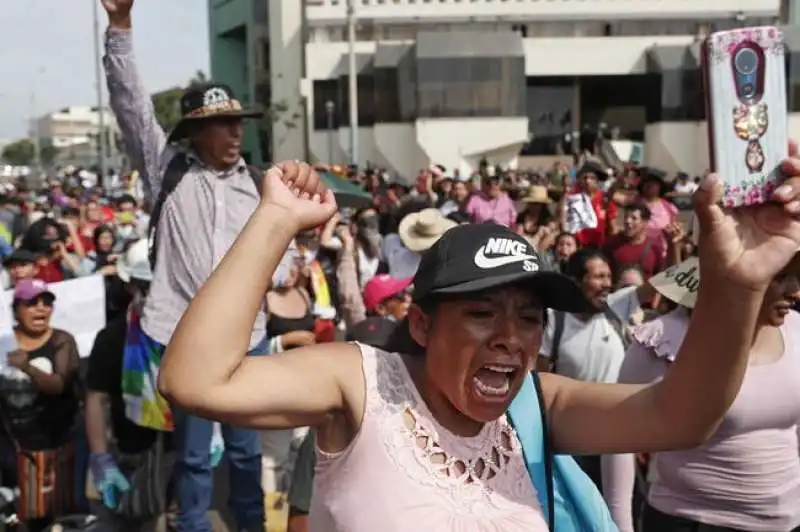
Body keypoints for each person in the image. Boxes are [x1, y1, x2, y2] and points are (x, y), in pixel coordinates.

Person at [159, 157, 800, 530]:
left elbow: (681, 416)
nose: (509, 338)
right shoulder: (360, 384)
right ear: (420, 325)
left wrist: (737, 284)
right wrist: (274, 219)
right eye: (481, 312)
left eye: (528, 317)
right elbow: (195, 381)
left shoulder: (537, 408)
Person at [101, 0, 278, 529]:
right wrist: (120, 27)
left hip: (250, 338)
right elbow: (131, 104)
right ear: (194, 132)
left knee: (247, 454)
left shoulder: (262, 184)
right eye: (221, 125)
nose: (233, 134)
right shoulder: (167, 171)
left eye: (236, 123)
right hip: (186, 336)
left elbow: (282, 259)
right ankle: (193, 524)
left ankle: (249, 524)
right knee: (195, 456)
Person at [603, 256, 800, 532]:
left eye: (796, 276)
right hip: (690, 521)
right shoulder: (663, 339)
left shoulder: (796, 331)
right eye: (779, 278)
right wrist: (618, 524)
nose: (795, 291)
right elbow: (619, 438)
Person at [85, 239, 165, 531]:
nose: (153, 295)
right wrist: (100, 456)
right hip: (131, 447)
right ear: (130, 286)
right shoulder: (112, 336)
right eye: (145, 287)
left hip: (176, 449)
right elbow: (97, 398)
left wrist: (213, 431)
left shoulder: (186, 331)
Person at [0, 279, 81, 531]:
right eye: (32, 303)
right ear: (16, 310)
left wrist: (26, 366)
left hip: (50, 452)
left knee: (47, 519)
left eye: (46, 303)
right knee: (12, 517)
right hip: (10, 449)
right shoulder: (3, 341)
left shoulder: (62, 341)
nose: (41, 309)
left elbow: (58, 385)